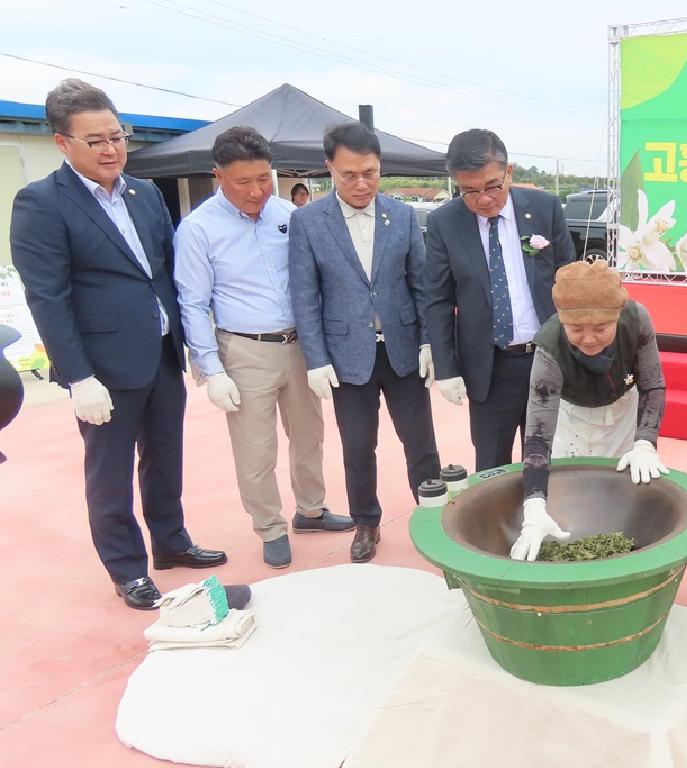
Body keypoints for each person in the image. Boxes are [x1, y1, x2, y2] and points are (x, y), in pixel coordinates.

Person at [9, 79, 225, 609]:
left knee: (165, 458)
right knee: (109, 475)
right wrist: (78, 376)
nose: (111, 150)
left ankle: (171, 542)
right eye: (95, 141)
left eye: (117, 136)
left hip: (159, 353)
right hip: (102, 369)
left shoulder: (144, 192)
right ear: (63, 143)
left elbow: (162, 272)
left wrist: (193, 346)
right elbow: (48, 296)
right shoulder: (41, 203)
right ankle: (126, 568)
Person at [174, 126, 351, 570]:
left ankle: (311, 510)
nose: (255, 191)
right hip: (244, 351)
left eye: (262, 179)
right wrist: (211, 370)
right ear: (218, 177)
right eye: (242, 182)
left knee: (309, 436)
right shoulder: (198, 229)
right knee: (256, 450)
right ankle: (269, 526)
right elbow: (193, 304)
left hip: (301, 347)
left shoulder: (289, 215)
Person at [289, 122, 441, 564]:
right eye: (349, 175)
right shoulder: (308, 222)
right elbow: (305, 294)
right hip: (345, 356)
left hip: (402, 350)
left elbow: (421, 284)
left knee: (421, 442)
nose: (361, 184)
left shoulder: (403, 216)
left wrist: (428, 342)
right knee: (358, 446)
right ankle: (366, 522)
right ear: (329, 169)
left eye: (370, 173)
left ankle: (433, 517)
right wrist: (315, 359)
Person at [425, 129, 576, 471]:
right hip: (490, 367)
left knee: (548, 461)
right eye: (469, 191)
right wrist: (446, 369)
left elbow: (569, 279)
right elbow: (437, 300)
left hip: (548, 358)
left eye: (492, 185)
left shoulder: (544, 208)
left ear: (509, 172)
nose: (483, 200)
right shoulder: (444, 223)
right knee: (491, 469)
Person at [509, 260, 669, 561]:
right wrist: (533, 505)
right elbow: (538, 436)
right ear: (561, 320)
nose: (589, 338)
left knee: (620, 494)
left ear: (618, 316)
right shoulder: (548, 346)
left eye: (601, 328)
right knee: (571, 496)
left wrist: (645, 441)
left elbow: (653, 385)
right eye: (576, 329)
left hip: (622, 413)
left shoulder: (637, 320)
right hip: (571, 419)